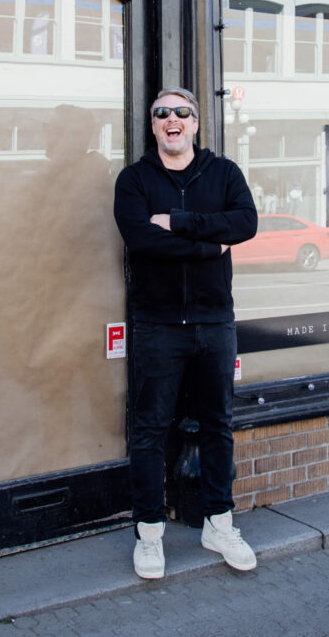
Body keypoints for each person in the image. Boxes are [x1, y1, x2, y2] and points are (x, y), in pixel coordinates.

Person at [113, 87, 259, 580]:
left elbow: (245, 222)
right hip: (157, 325)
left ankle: (219, 522)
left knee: (218, 424)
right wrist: (206, 245)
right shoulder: (133, 180)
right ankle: (149, 532)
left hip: (215, 320)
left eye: (182, 112)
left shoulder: (224, 173)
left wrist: (177, 221)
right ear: (153, 125)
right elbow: (140, 240)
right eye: (161, 113)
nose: (171, 119)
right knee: (150, 429)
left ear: (196, 123)